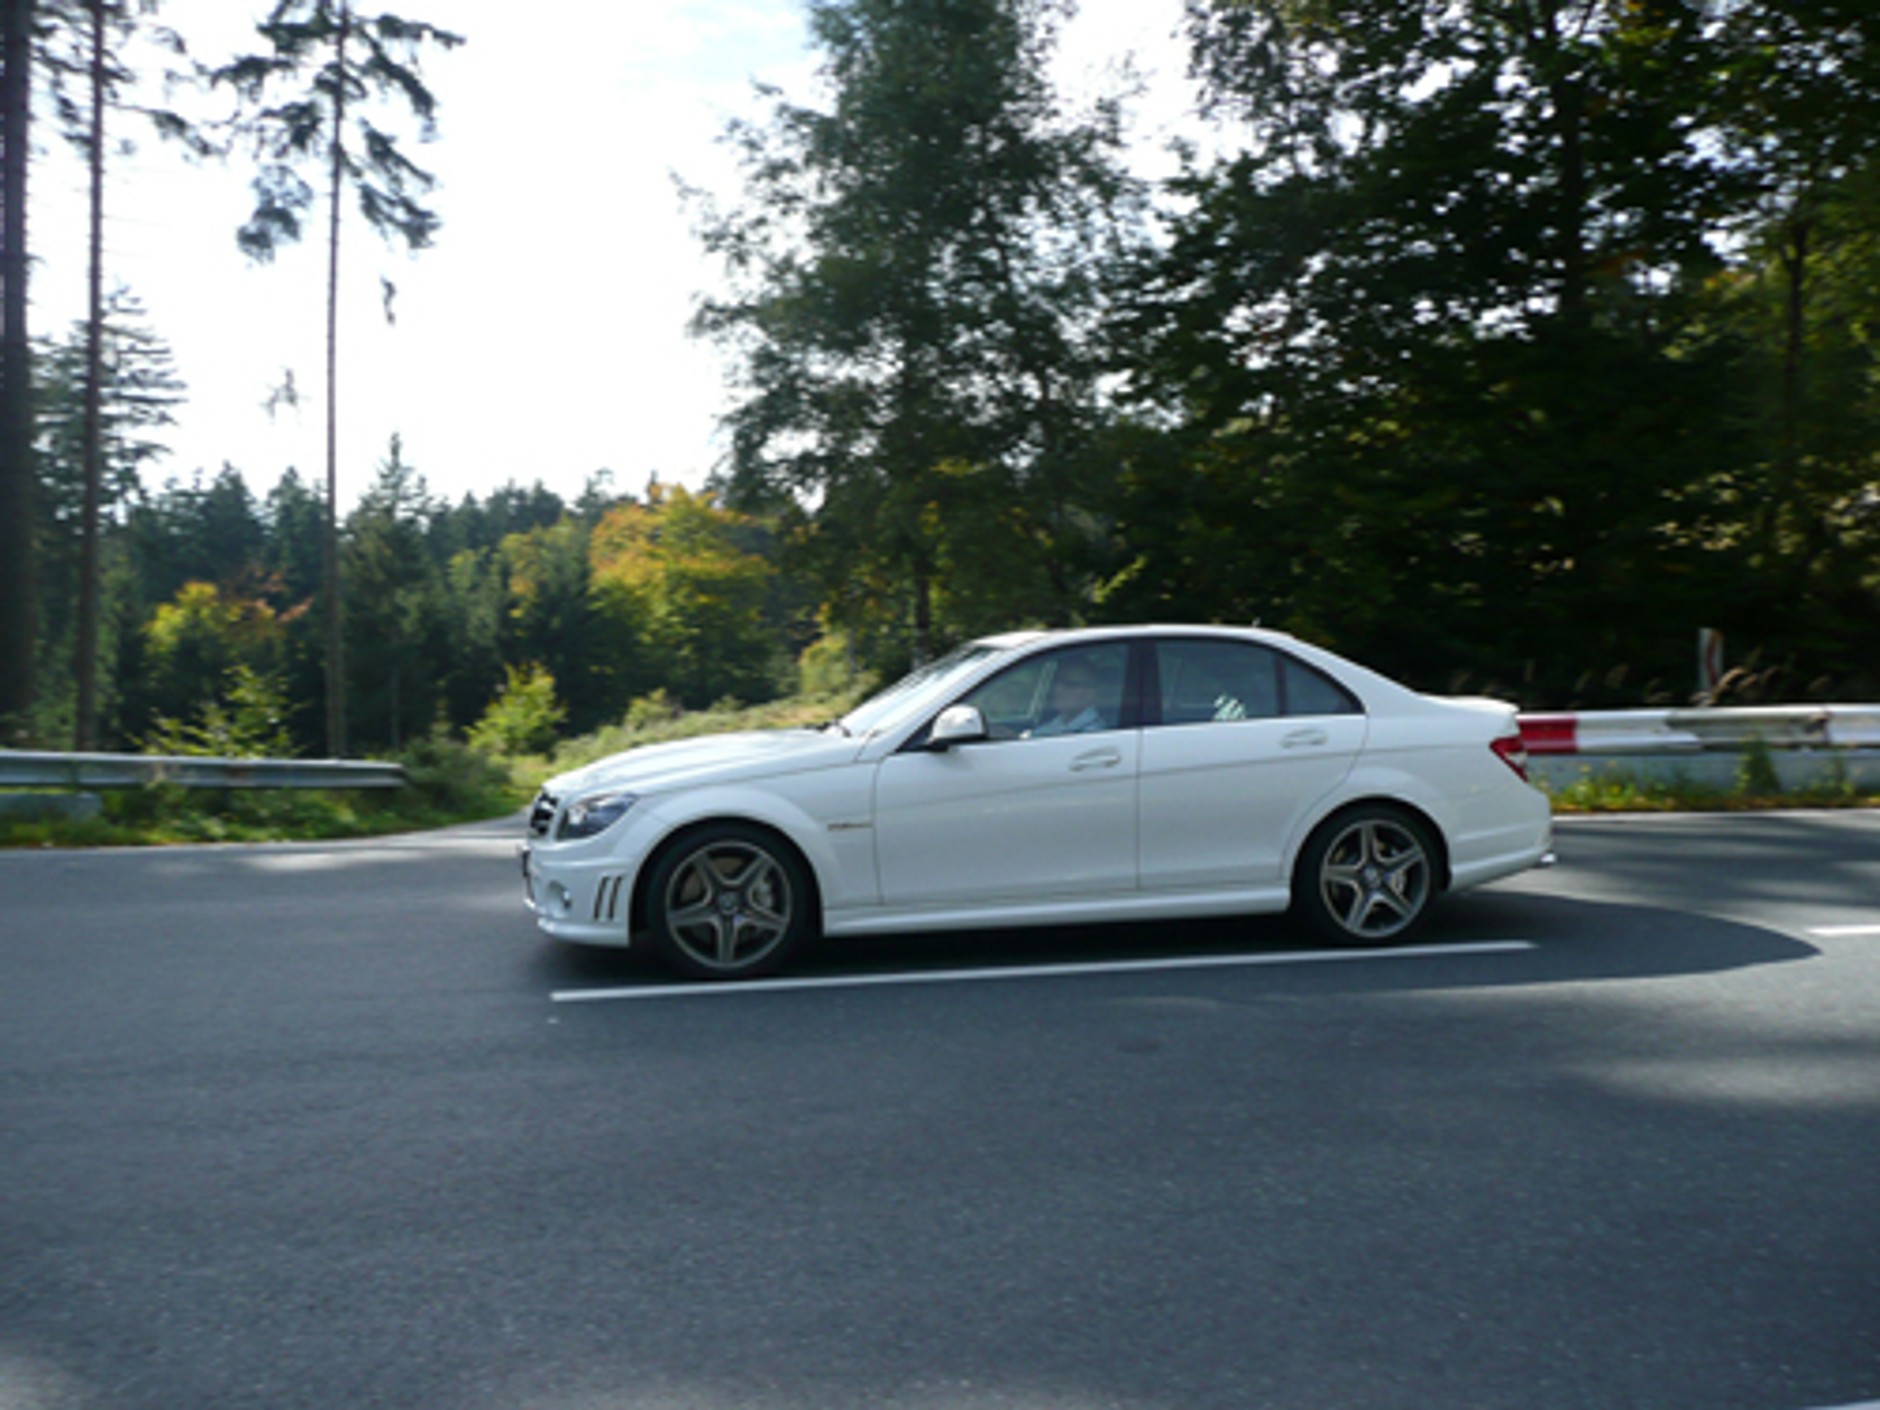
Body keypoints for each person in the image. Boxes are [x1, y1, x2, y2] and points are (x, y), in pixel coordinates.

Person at [1030, 661, 1115, 736]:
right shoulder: (1058, 723)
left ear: (1090, 693)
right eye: (1056, 682)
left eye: (1069, 684)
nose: (1057, 690)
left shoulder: (1095, 733)